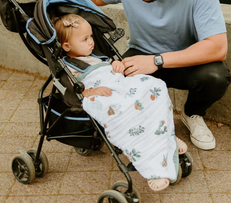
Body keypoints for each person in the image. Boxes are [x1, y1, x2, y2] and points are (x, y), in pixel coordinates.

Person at [52, 14, 188, 191]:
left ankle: (164, 133)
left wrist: (116, 65)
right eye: (85, 39)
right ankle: (146, 162)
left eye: (91, 36)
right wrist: (91, 91)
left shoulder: (96, 56)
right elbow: (76, 90)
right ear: (66, 46)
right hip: (101, 95)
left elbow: (112, 70)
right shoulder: (69, 65)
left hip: (120, 85)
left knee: (155, 86)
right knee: (123, 110)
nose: (91, 41)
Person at [91, 0, 231, 150]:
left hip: (186, 57)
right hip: (141, 53)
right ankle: (151, 123)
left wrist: (156, 61)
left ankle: (192, 113)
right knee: (116, 83)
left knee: (216, 77)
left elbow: (218, 47)